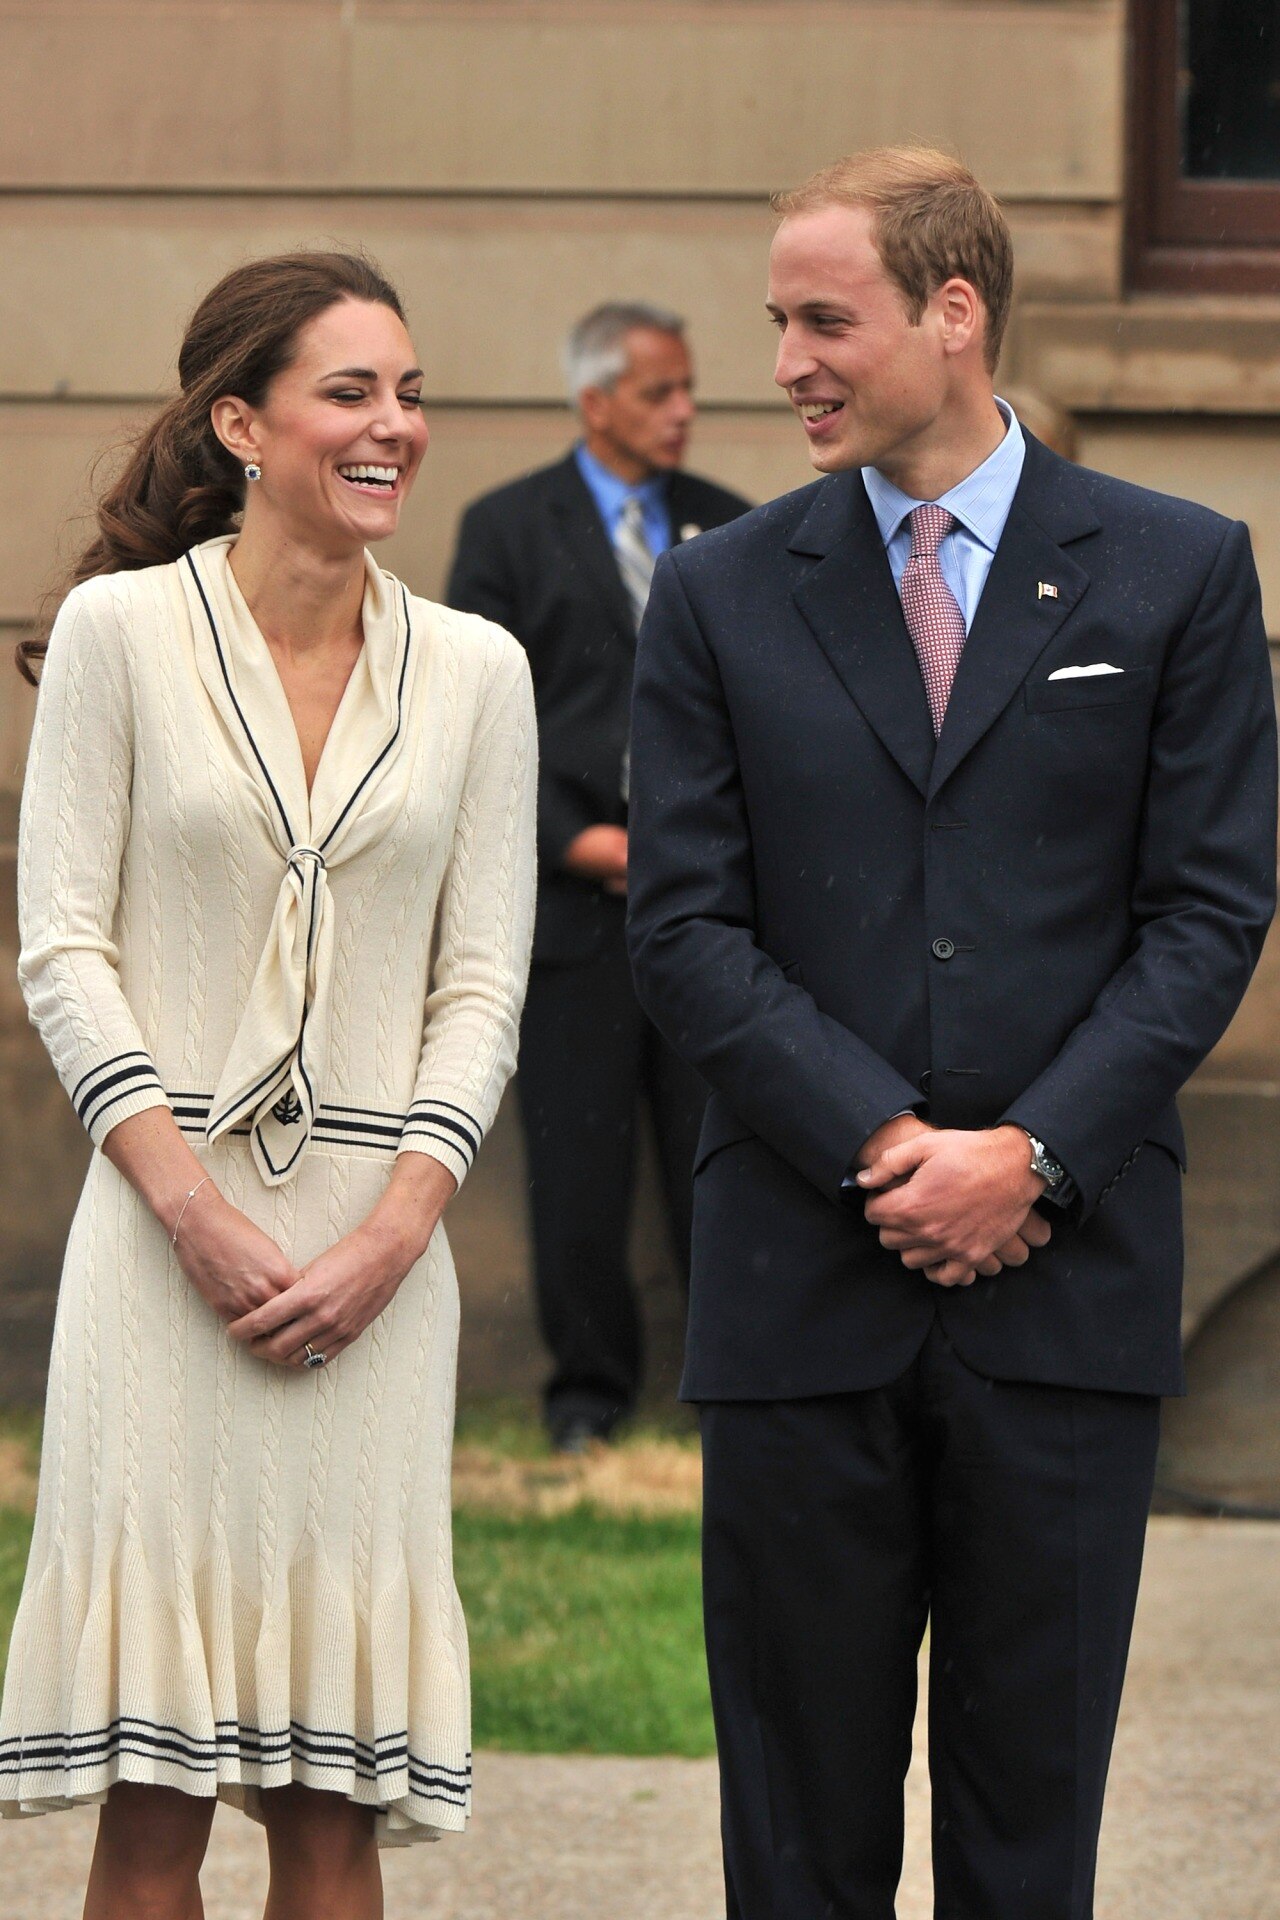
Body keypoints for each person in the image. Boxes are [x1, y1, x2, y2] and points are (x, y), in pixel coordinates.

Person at [626, 148, 1277, 1919]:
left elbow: (1209, 912)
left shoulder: (1178, 572)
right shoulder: (717, 591)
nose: (788, 363)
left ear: (954, 311)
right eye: (780, 323)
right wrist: (888, 1146)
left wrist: (1033, 1158)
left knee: (1027, 1844)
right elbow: (682, 926)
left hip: (1064, 1304)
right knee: (795, 1845)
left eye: (824, 320)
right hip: (795, 1293)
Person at [1, 252, 536, 1919]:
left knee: (332, 1797)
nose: (398, 426)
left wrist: (395, 1236)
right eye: (352, 392)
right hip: (162, 1258)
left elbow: (483, 984)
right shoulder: (117, 631)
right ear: (240, 420)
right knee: (152, 1797)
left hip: (379, 1271)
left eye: (411, 392)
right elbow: (64, 946)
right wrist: (190, 1209)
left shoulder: (477, 672)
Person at [447, 302, 749, 1450]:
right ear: (595, 403)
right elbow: (474, 723)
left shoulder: (727, 529)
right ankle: (586, 1398)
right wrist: (577, 841)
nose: (683, 413)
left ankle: (728, 1391)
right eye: (659, 392)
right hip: (570, 920)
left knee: (714, 1166)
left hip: (706, 913)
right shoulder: (508, 529)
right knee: (576, 1173)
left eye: (687, 392)